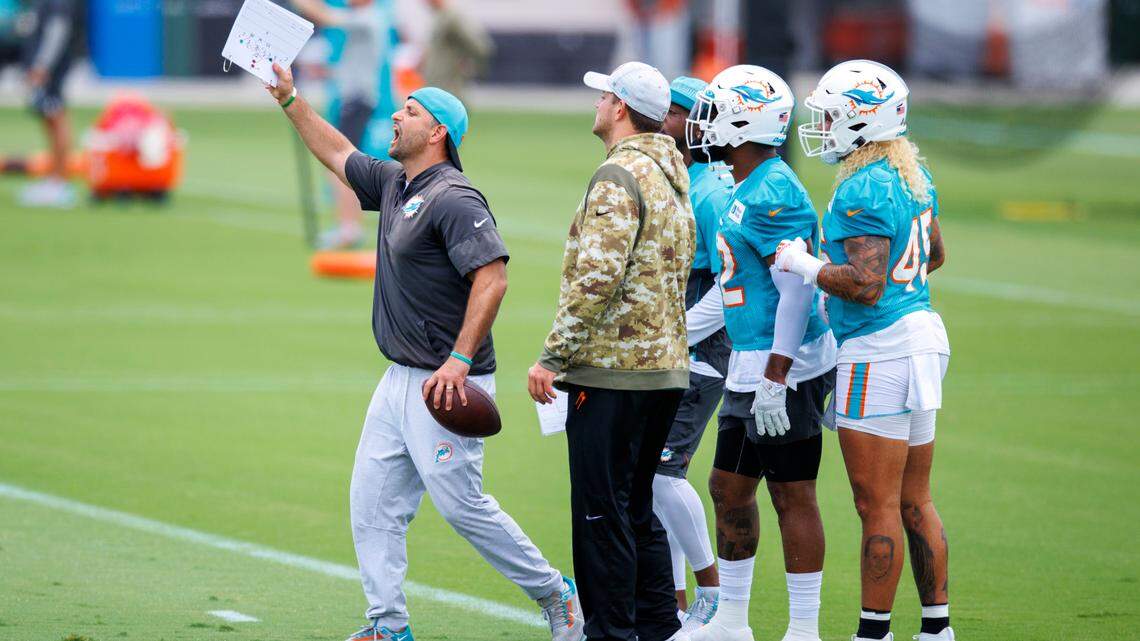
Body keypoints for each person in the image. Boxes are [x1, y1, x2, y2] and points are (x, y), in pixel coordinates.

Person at [263, 63, 584, 641]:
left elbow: (493, 278)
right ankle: (388, 626)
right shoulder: (394, 183)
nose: (395, 114)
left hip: (448, 382)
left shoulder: (455, 197)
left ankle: (556, 594)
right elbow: (336, 153)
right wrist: (290, 98)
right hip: (398, 379)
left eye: (410, 111)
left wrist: (459, 361)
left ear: (439, 132)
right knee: (371, 501)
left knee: (463, 508)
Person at [779, 59, 953, 641]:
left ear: (862, 119)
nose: (824, 126)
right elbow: (934, 255)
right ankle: (936, 629)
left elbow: (866, 282)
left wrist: (806, 264)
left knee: (874, 503)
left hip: (880, 348)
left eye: (832, 116)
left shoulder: (863, 184)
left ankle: (871, 633)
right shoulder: (911, 174)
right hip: (923, 336)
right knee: (915, 498)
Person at [528, 61, 694, 641]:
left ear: (620, 107)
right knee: (636, 508)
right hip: (667, 370)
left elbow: (595, 278)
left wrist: (552, 357)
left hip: (614, 374)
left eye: (603, 96)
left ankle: (612, 634)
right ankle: (656, 628)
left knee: (600, 514)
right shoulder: (673, 174)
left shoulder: (618, 175)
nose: (596, 104)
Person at [684, 65, 837, 641]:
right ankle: (732, 620)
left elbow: (798, 287)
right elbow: (736, 288)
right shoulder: (741, 186)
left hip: (785, 365)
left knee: (790, 492)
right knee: (728, 486)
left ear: (744, 122)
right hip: (750, 360)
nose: (703, 119)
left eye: (715, 107)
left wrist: (777, 375)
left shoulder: (775, 190)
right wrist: (678, 334)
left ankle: (803, 629)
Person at [655, 75, 733, 631]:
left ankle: (711, 594)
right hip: (678, 349)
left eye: (672, 113)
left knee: (662, 476)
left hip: (701, 354)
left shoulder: (710, 192)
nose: (661, 122)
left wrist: (674, 333)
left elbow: (730, 289)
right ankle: (677, 608)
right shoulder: (685, 179)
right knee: (654, 480)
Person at [290, 0, 391, 249]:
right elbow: (353, 64)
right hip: (355, 98)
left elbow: (324, 16)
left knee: (340, 162)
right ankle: (349, 227)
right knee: (342, 161)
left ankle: (348, 229)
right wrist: (326, 73)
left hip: (357, 101)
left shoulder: (368, 17)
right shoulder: (364, 18)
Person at [19, 0, 80, 208]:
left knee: (57, 119)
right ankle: (54, 178)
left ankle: (59, 182)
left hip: (51, 71)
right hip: (48, 69)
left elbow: (57, 30)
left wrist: (42, 65)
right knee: (50, 120)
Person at [421, 0, 494, 104]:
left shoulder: (452, 17)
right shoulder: (439, 16)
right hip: (437, 84)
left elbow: (480, 46)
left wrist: (470, 65)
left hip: (448, 86)